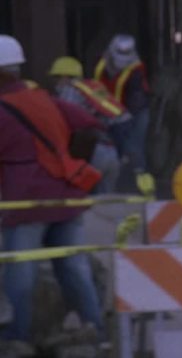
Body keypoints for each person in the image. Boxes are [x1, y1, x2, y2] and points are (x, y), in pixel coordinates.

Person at [0, 35, 106, 349]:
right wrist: (68, 158)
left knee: (21, 272)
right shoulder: (44, 98)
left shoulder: (2, 110)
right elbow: (90, 125)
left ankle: (16, 339)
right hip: (65, 198)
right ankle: (96, 332)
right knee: (74, 268)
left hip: (27, 204)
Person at [49, 56, 133, 193]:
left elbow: (67, 118)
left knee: (85, 199)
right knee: (106, 200)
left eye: (56, 77)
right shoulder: (93, 87)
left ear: (65, 76)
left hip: (94, 151)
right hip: (114, 148)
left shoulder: (70, 90)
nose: (55, 82)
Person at [94, 34, 155, 195]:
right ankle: (109, 188)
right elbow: (94, 88)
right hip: (109, 112)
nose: (122, 59)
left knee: (134, 149)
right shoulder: (101, 64)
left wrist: (122, 118)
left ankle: (144, 188)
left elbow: (136, 97)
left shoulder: (136, 68)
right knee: (109, 148)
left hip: (135, 113)